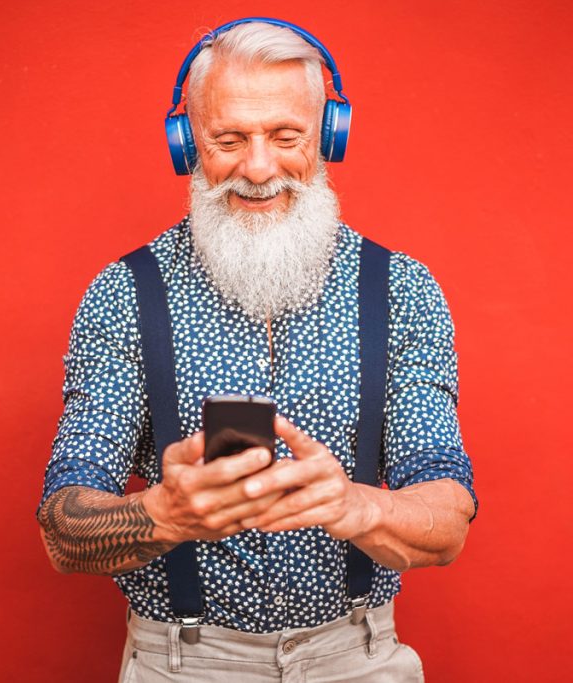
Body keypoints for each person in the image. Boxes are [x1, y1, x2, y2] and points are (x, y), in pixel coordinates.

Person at [36, 18, 477, 682]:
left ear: (329, 137)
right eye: (229, 138)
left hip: (355, 657)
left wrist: (356, 505)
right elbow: (62, 530)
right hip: (182, 662)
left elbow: (448, 518)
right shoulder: (124, 294)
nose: (259, 167)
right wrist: (163, 514)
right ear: (188, 144)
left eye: (285, 135)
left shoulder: (401, 290)